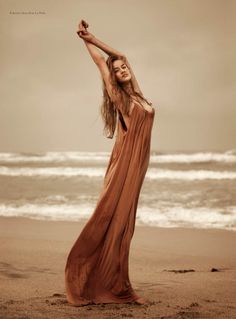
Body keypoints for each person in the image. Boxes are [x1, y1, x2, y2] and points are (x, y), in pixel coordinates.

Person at [65, 19, 156, 307]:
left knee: (125, 227)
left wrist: (95, 36)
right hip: (125, 169)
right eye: (116, 70)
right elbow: (102, 66)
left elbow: (122, 56)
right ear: (114, 79)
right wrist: (86, 42)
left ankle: (117, 283)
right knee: (116, 224)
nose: (121, 69)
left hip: (137, 168)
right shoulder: (122, 99)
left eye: (122, 67)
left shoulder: (138, 95)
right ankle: (114, 286)